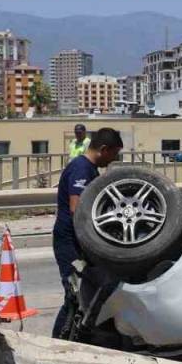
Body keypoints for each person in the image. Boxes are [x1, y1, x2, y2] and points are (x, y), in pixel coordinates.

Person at [52, 128, 124, 337]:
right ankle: (57, 342)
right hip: (69, 241)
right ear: (104, 149)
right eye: (114, 153)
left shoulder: (90, 168)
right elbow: (77, 208)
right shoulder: (81, 168)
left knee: (89, 292)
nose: (114, 159)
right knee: (73, 294)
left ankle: (82, 336)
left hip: (79, 240)